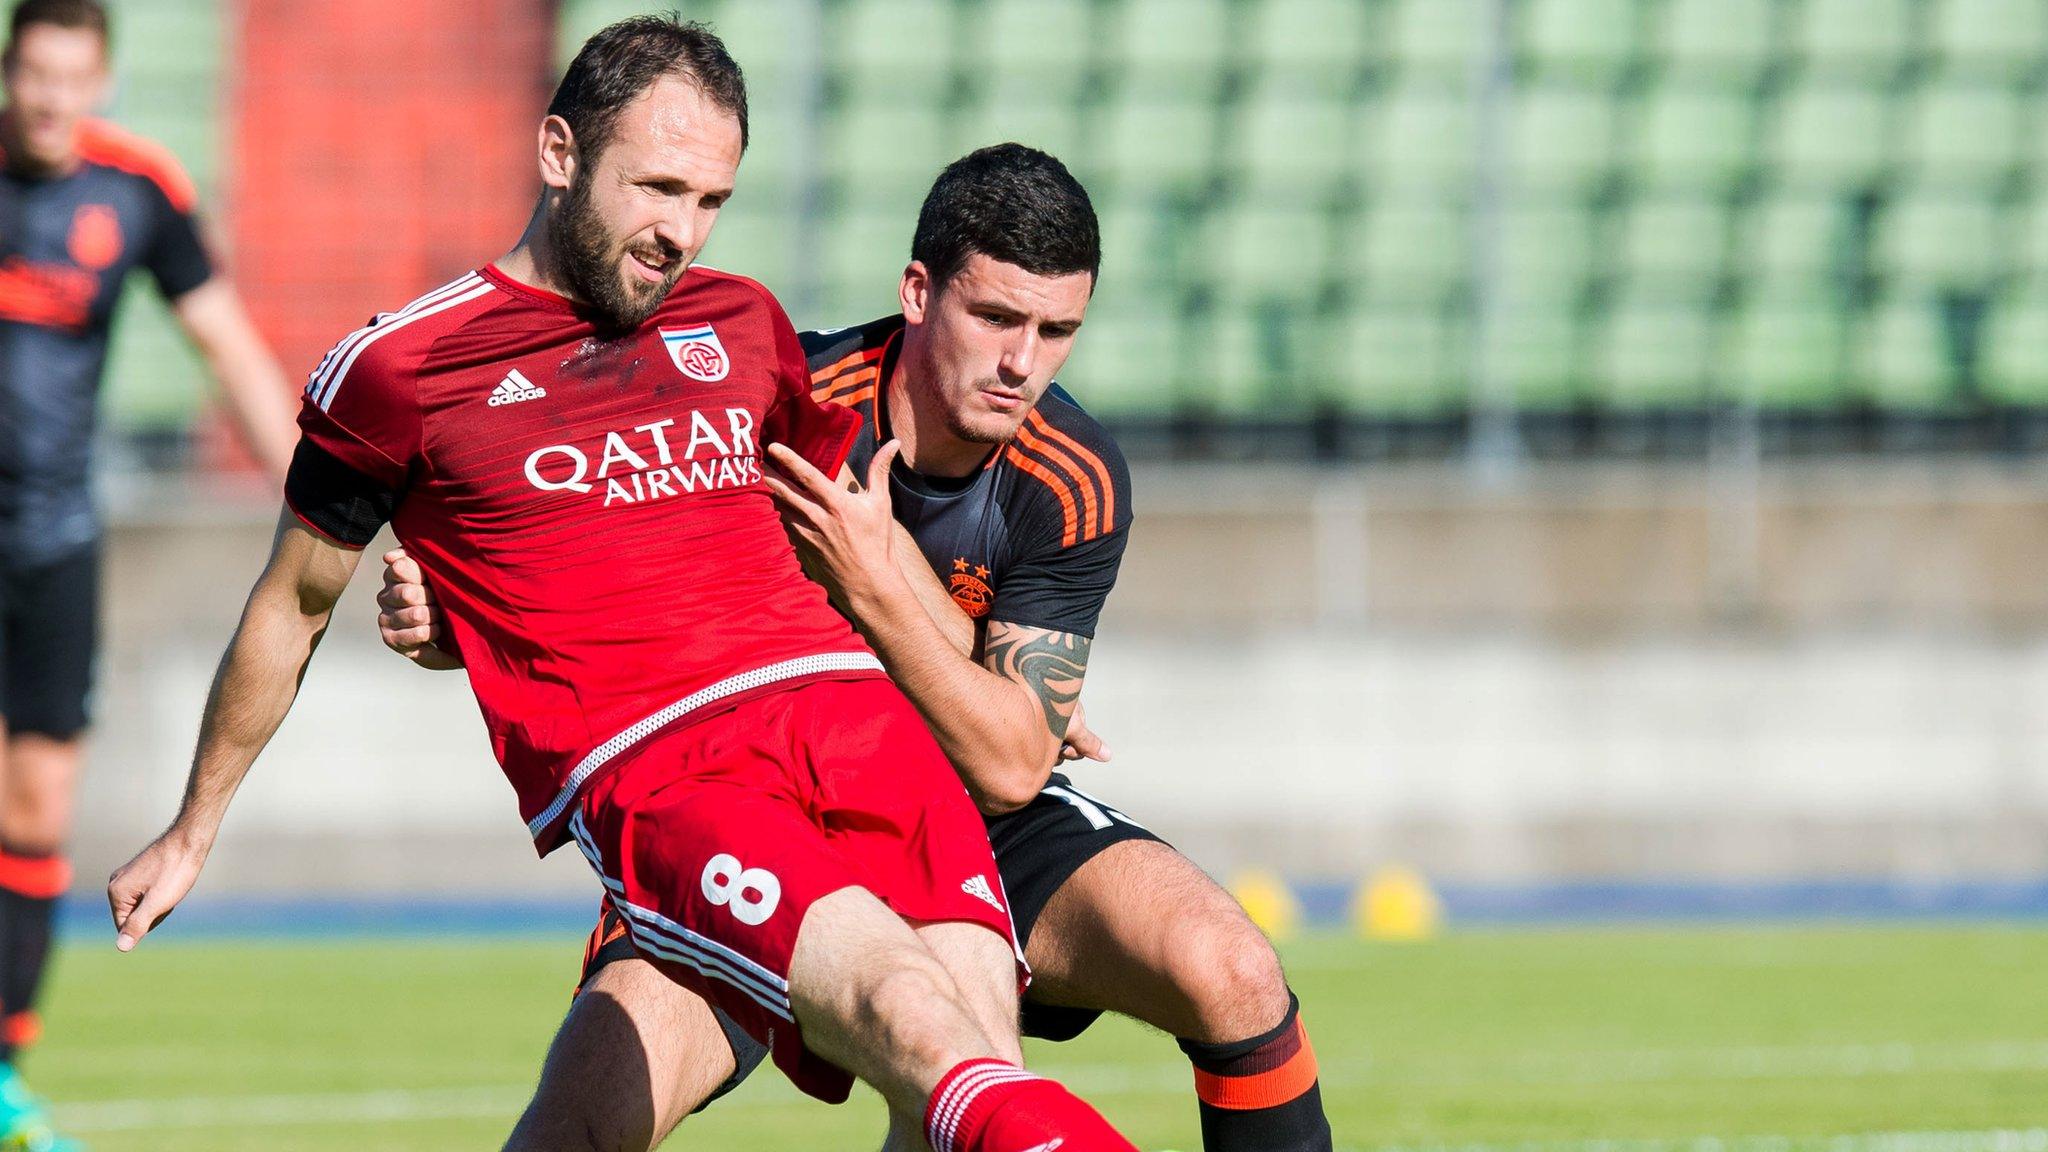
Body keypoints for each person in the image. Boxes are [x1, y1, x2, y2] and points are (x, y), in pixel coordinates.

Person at [103, 17, 1135, 1152]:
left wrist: (982, 656)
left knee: (976, 1044)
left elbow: (857, 540)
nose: (679, 233)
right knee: (899, 1013)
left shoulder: (742, 325)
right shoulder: (399, 370)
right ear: (558, 152)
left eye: (709, 201)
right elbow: (293, 604)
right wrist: (195, 827)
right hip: (669, 762)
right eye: (657, 189)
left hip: (850, 716)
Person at [380, 144, 1334, 1152]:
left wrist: (870, 578)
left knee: (1229, 971)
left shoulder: (1072, 473)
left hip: (964, 814)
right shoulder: (765, 395)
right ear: (917, 293)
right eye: (996, 318)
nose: (1022, 362)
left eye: (1057, 332)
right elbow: (596, 577)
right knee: (579, 1125)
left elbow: (1010, 764)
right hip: (746, 794)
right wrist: (461, 620)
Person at [0, 0, 296, 1144]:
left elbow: (226, 348)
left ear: (102, 80)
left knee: (38, 811)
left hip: (55, 547)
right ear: (11, 73)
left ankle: (6, 1077)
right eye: (33, 75)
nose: (50, 99)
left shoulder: (137, 190)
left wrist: (324, 493)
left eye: (73, 78)